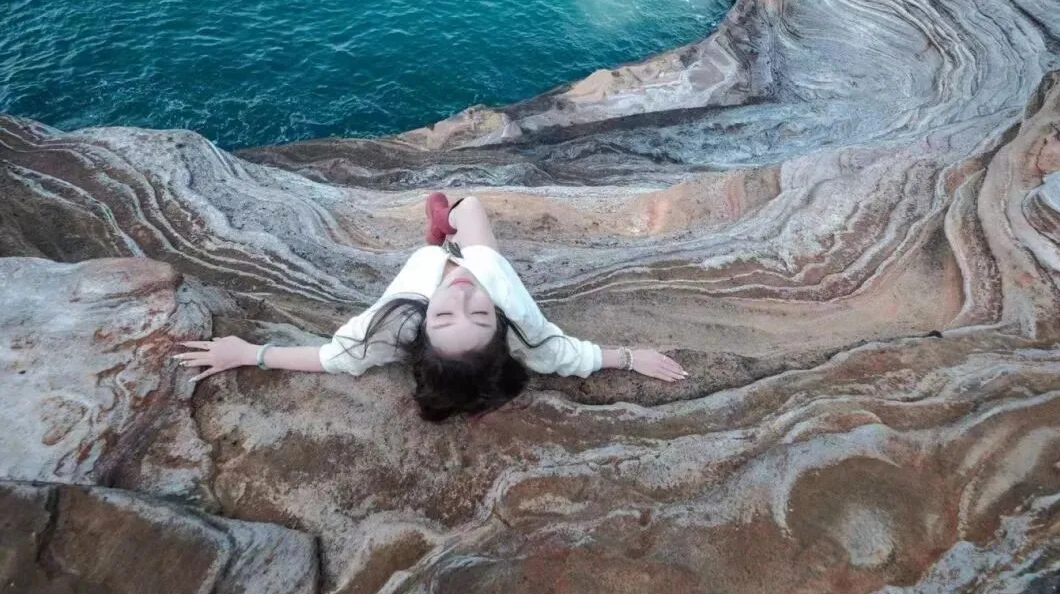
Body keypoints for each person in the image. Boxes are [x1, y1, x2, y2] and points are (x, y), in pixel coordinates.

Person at [174, 194, 688, 421]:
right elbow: (569, 356)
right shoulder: (521, 324)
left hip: (424, 267)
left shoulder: (389, 326)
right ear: (501, 328)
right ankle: (446, 221)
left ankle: (437, 232)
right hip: (484, 261)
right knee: (472, 208)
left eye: (444, 316)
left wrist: (249, 353)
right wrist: (629, 357)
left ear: (420, 329)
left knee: (450, 227)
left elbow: (330, 358)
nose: (462, 297)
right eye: (480, 316)